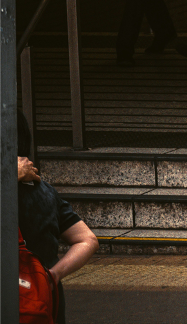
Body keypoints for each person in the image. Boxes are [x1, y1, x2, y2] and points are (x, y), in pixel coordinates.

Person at [17, 114, 100, 324]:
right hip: (44, 299)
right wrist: (53, 275)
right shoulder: (45, 192)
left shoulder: (7, 193)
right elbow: (87, 239)